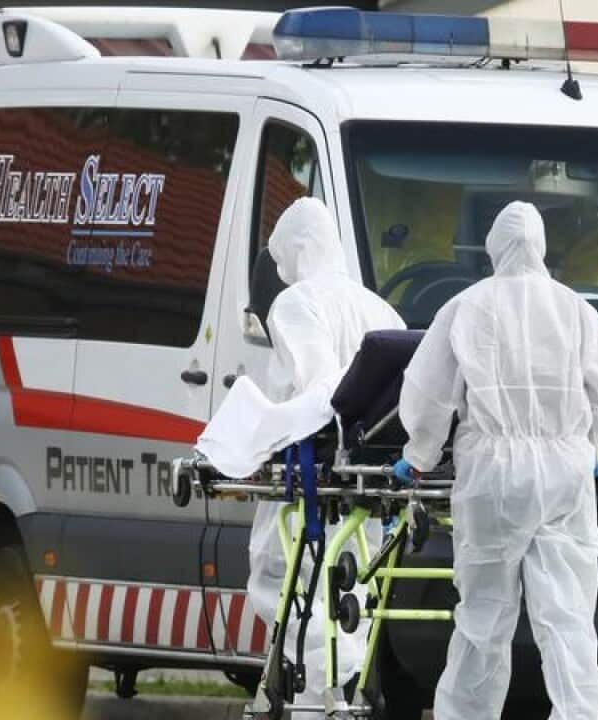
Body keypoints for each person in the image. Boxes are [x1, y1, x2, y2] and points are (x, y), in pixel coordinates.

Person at [393, 201, 598, 720]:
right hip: (565, 473)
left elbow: (430, 392)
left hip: (493, 475)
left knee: (483, 616)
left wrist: (419, 454)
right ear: (542, 247)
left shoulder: (466, 306)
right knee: (567, 616)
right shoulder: (577, 310)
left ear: (494, 246)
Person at [246, 197, 405, 717]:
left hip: (314, 475)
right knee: (354, 592)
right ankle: (340, 692)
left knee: (289, 583)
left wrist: (254, 433)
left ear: (297, 250)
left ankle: (315, 703)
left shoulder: (294, 304)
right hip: (370, 478)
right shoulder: (380, 308)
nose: (284, 274)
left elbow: (318, 388)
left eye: (284, 260)